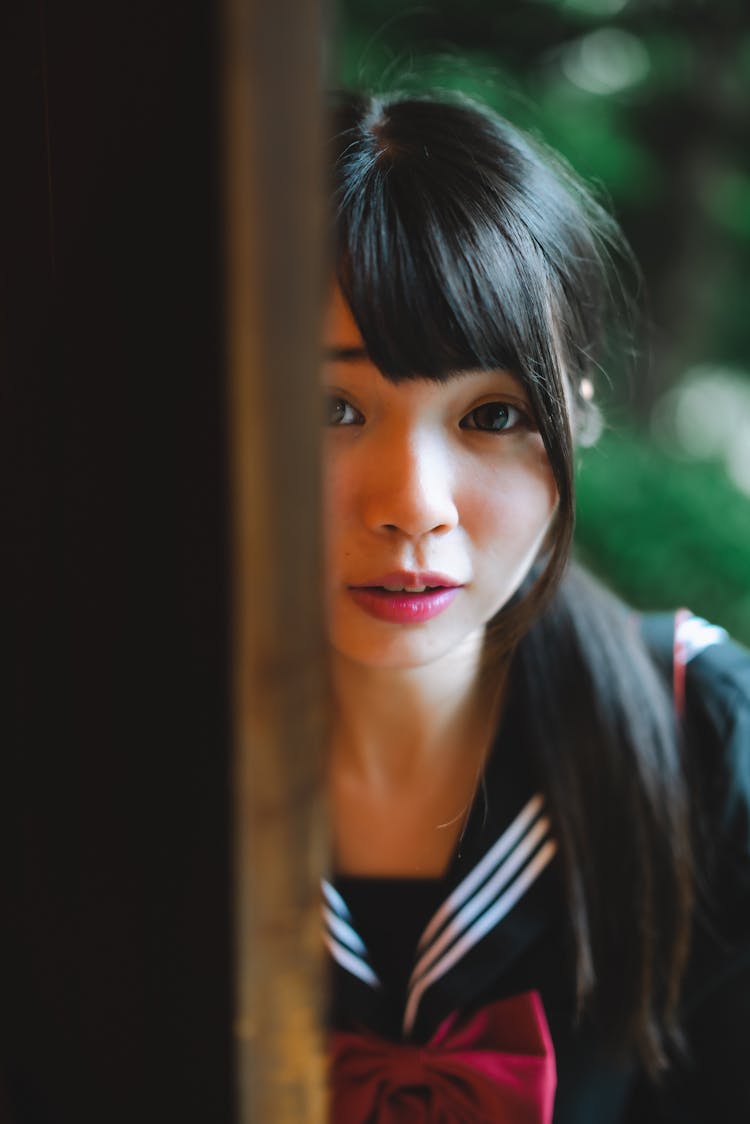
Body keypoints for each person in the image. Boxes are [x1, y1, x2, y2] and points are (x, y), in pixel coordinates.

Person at [321, 89, 750, 1123]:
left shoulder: (703, 735)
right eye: (331, 406)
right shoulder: (100, 760)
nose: (413, 507)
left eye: (493, 412)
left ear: (581, 409)